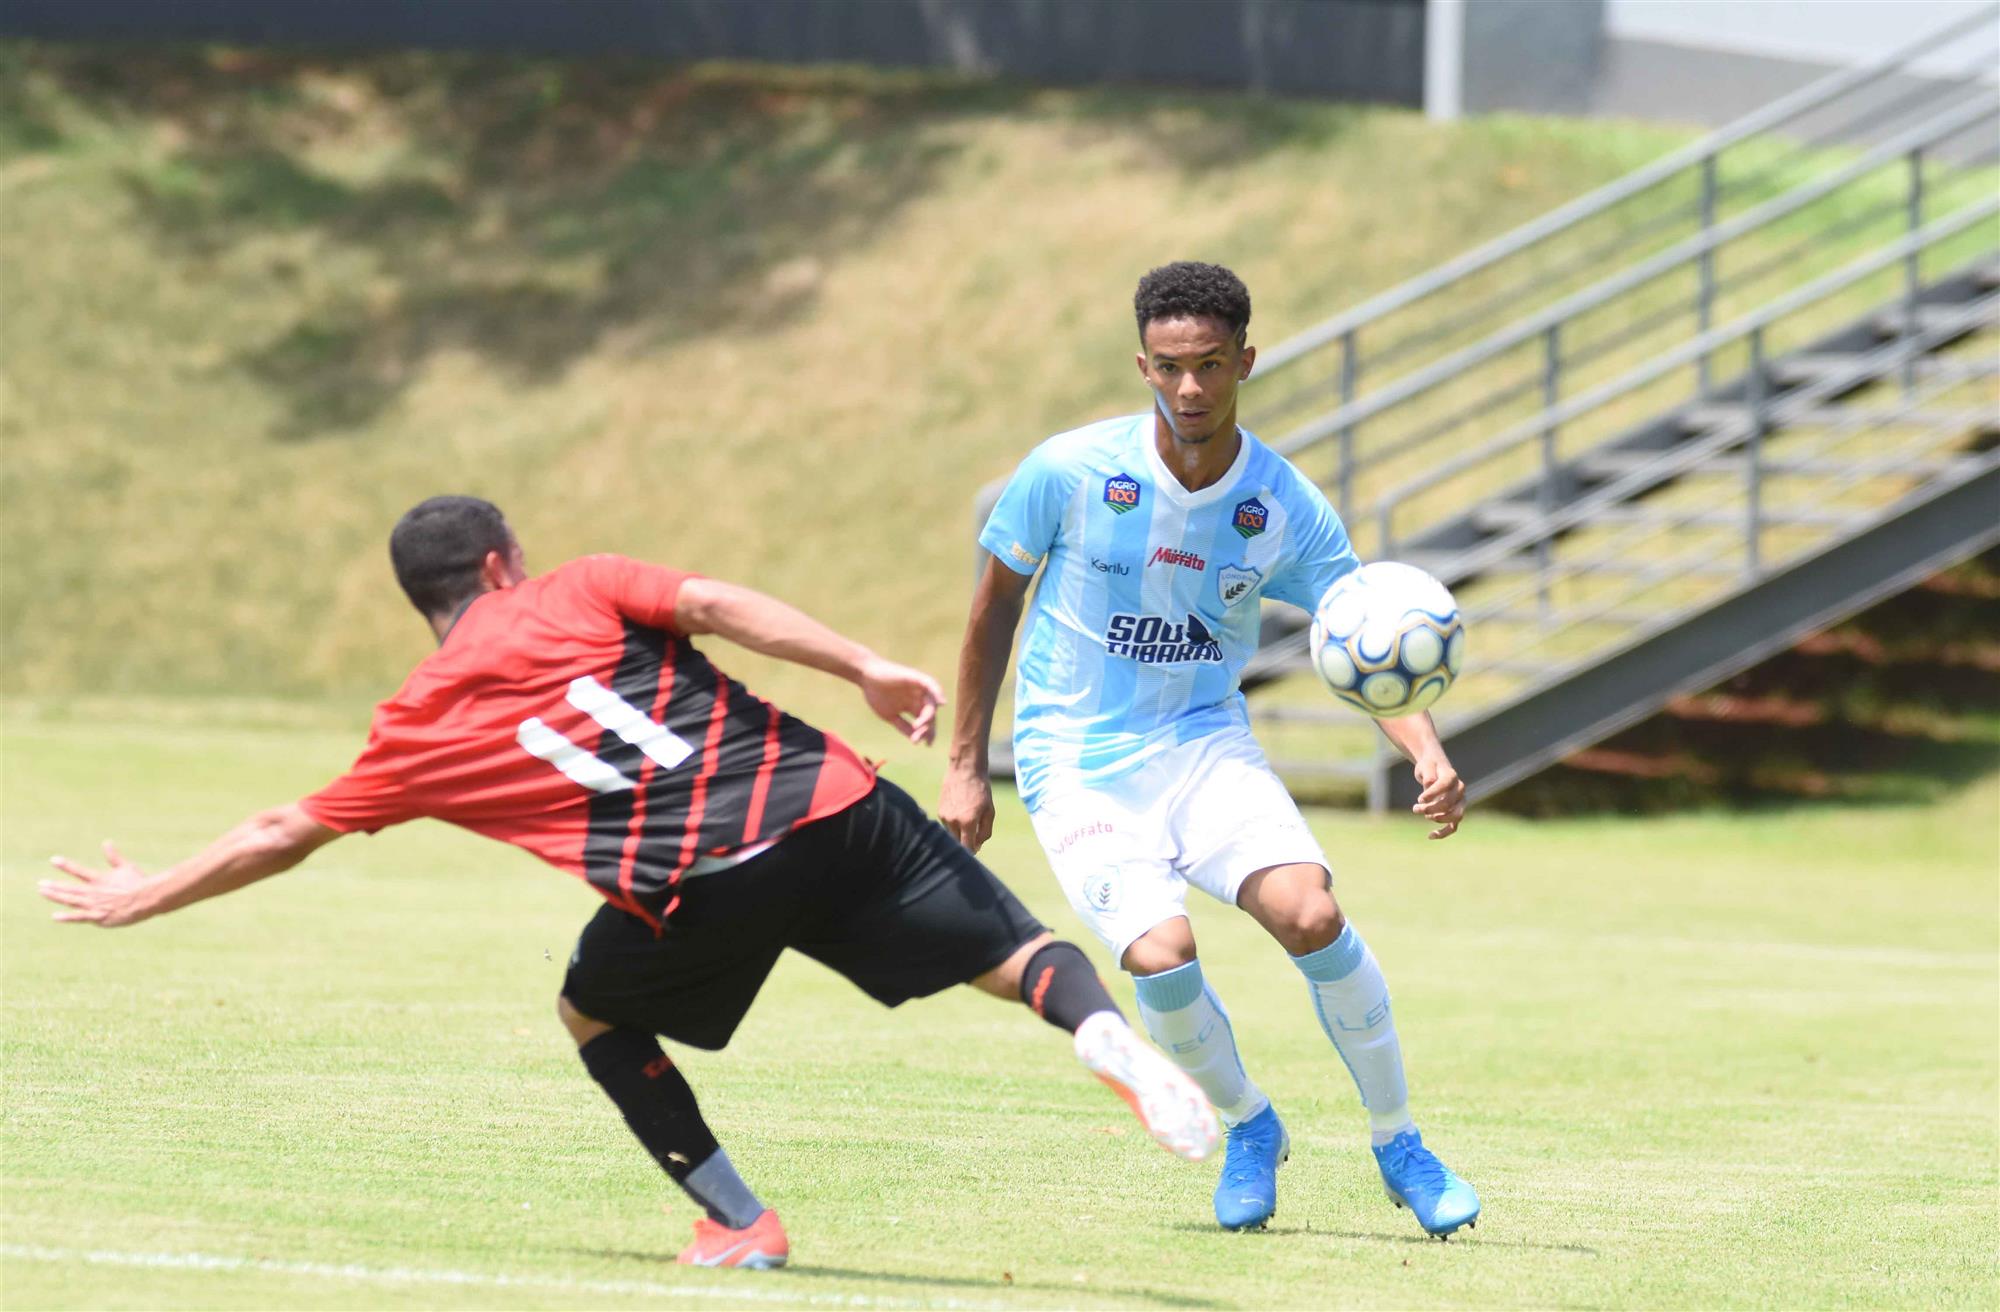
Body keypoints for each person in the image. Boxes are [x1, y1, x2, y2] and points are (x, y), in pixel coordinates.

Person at [39, 495, 1220, 1271]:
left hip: (699, 879)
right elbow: (711, 606)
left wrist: (147, 894)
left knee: (593, 1009)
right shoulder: (582, 585)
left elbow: (281, 827)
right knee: (1012, 957)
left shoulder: (413, 726)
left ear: (428, 599)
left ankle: (739, 1219)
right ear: (504, 561)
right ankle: (1106, 1033)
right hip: (826, 797)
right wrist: (860, 660)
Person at [939, 262, 1479, 1238]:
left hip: (1199, 741)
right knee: (1160, 950)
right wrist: (966, 762)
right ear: (1141, 364)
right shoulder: (1065, 471)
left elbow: (1361, 636)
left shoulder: (1281, 503)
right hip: (1073, 754)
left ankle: (1398, 1140)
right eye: (1170, 367)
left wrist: (1425, 749)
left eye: (1211, 366)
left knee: (1309, 912)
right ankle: (1247, 1124)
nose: (1189, 389)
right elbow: (988, 614)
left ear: (1245, 362)